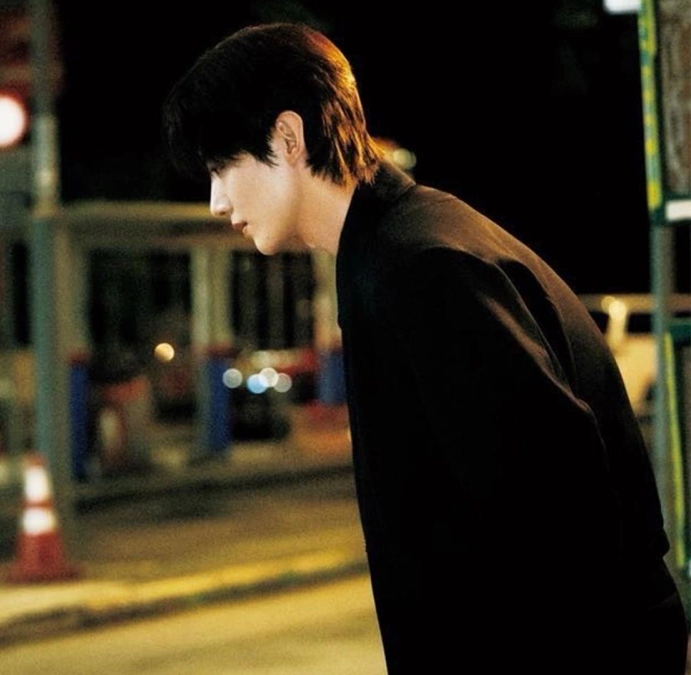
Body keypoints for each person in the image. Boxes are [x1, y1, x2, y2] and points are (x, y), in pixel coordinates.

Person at [164, 23, 687, 674]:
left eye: (222, 166)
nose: (217, 201)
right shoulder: (398, 247)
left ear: (288, 138)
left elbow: (559, 515)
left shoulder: (420, 267)